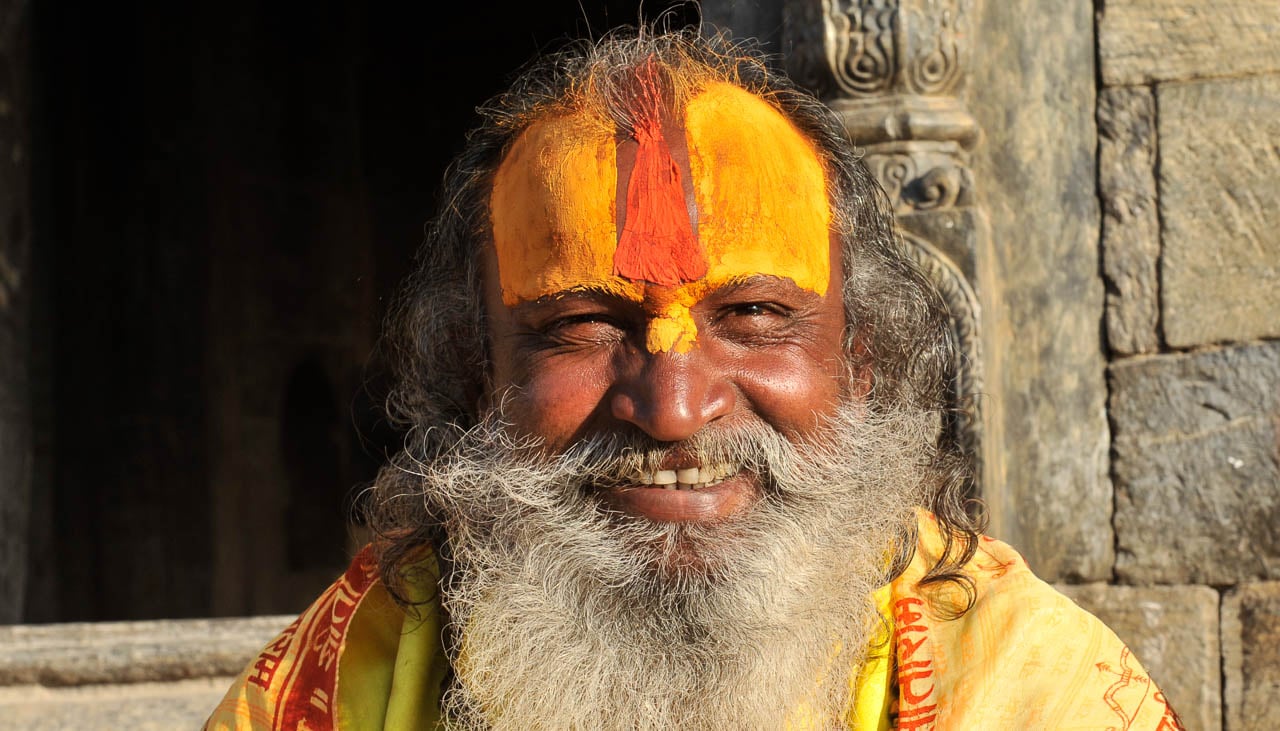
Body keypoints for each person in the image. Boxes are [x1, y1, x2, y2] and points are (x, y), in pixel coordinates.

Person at [207, 28, 1183, 730]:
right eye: (583, 326)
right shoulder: (337, 687)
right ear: (476, 383)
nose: (673, 410)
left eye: (753, 316)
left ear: (860, 363)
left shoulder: (1034, 691)